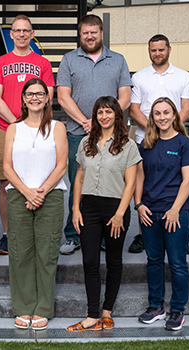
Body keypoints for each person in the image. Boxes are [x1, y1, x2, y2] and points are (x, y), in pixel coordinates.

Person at [57, 14, 132, 255]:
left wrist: (104, 123)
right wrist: (85, 122)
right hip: (78, 134)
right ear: (80, 35)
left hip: (112, 136)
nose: (89, 36)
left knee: (111, 185)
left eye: (94, 32)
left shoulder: (118, 60)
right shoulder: (69, 60)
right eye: (85, 33)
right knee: (78, 183)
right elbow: (63, 96)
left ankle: (102, 234)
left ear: (101, 33)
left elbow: (125, 97)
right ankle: (73, 234)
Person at [66, 96, 141, 332]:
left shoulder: (128, 145)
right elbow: (78, 177)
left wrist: (120, 214)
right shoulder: (86, 143)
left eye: (109, 112)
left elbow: (130, 184)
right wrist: (75, 209)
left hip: (115, 209)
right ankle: (91, 316)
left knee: (113, 261)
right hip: (88, 207)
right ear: (95, 116)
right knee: (89, 262)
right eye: (100, 112)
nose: (104, 116)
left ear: (117, 115)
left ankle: (106, 312)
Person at [3, 78, 68, 331]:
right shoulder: (14, 128)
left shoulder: (57, 127)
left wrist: (40, 192)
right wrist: (27, 192)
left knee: (47, 252)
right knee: (19, 253)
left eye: (40, 94)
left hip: (49, 195)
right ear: (23, 98)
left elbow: (61, 164)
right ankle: (23, 307)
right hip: (19, 195)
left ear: (47, 98)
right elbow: (7, 167)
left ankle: (42, 308)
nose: (35, 98)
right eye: (30, 94)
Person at [0, 14, 55, 255]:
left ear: (32, 34)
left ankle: (34, 230)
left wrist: (30, 124)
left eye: (26, 30)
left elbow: (48, 96)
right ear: (12, 34)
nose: (21, 34)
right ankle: (8, 234)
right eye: (17, 31)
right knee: (6, 183)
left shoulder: (42, 63)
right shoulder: (0, 62)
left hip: (37, 130)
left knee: (37, 179)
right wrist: (17, 123)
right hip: (8, 129)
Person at [127, 34, 189, 254]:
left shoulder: (184, 77)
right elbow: (134, 109)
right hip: (145, 139)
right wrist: (154, 129)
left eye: (161, 49)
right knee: (145, 184)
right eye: (153, 50)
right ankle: (143, 234)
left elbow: (186, 109)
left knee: (176, 181)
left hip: (174, 139)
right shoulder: (139, 77)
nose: (157, 53)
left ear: (169, 49)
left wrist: (170, 128)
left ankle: (179, 234)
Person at [134, 98, 189, 331]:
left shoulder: (184, 144)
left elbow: (188, 179)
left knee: (178, 264)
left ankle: (177, 311)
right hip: (150, 213)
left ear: (174, 115)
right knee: (154, 262)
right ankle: (156, 307)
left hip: (176, 215)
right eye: (157, 113)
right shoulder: (146, 144)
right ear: (152, 117)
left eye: (166, 112)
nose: (162, 117)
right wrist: (139, 204)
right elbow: (140, 177)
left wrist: (174, 209)